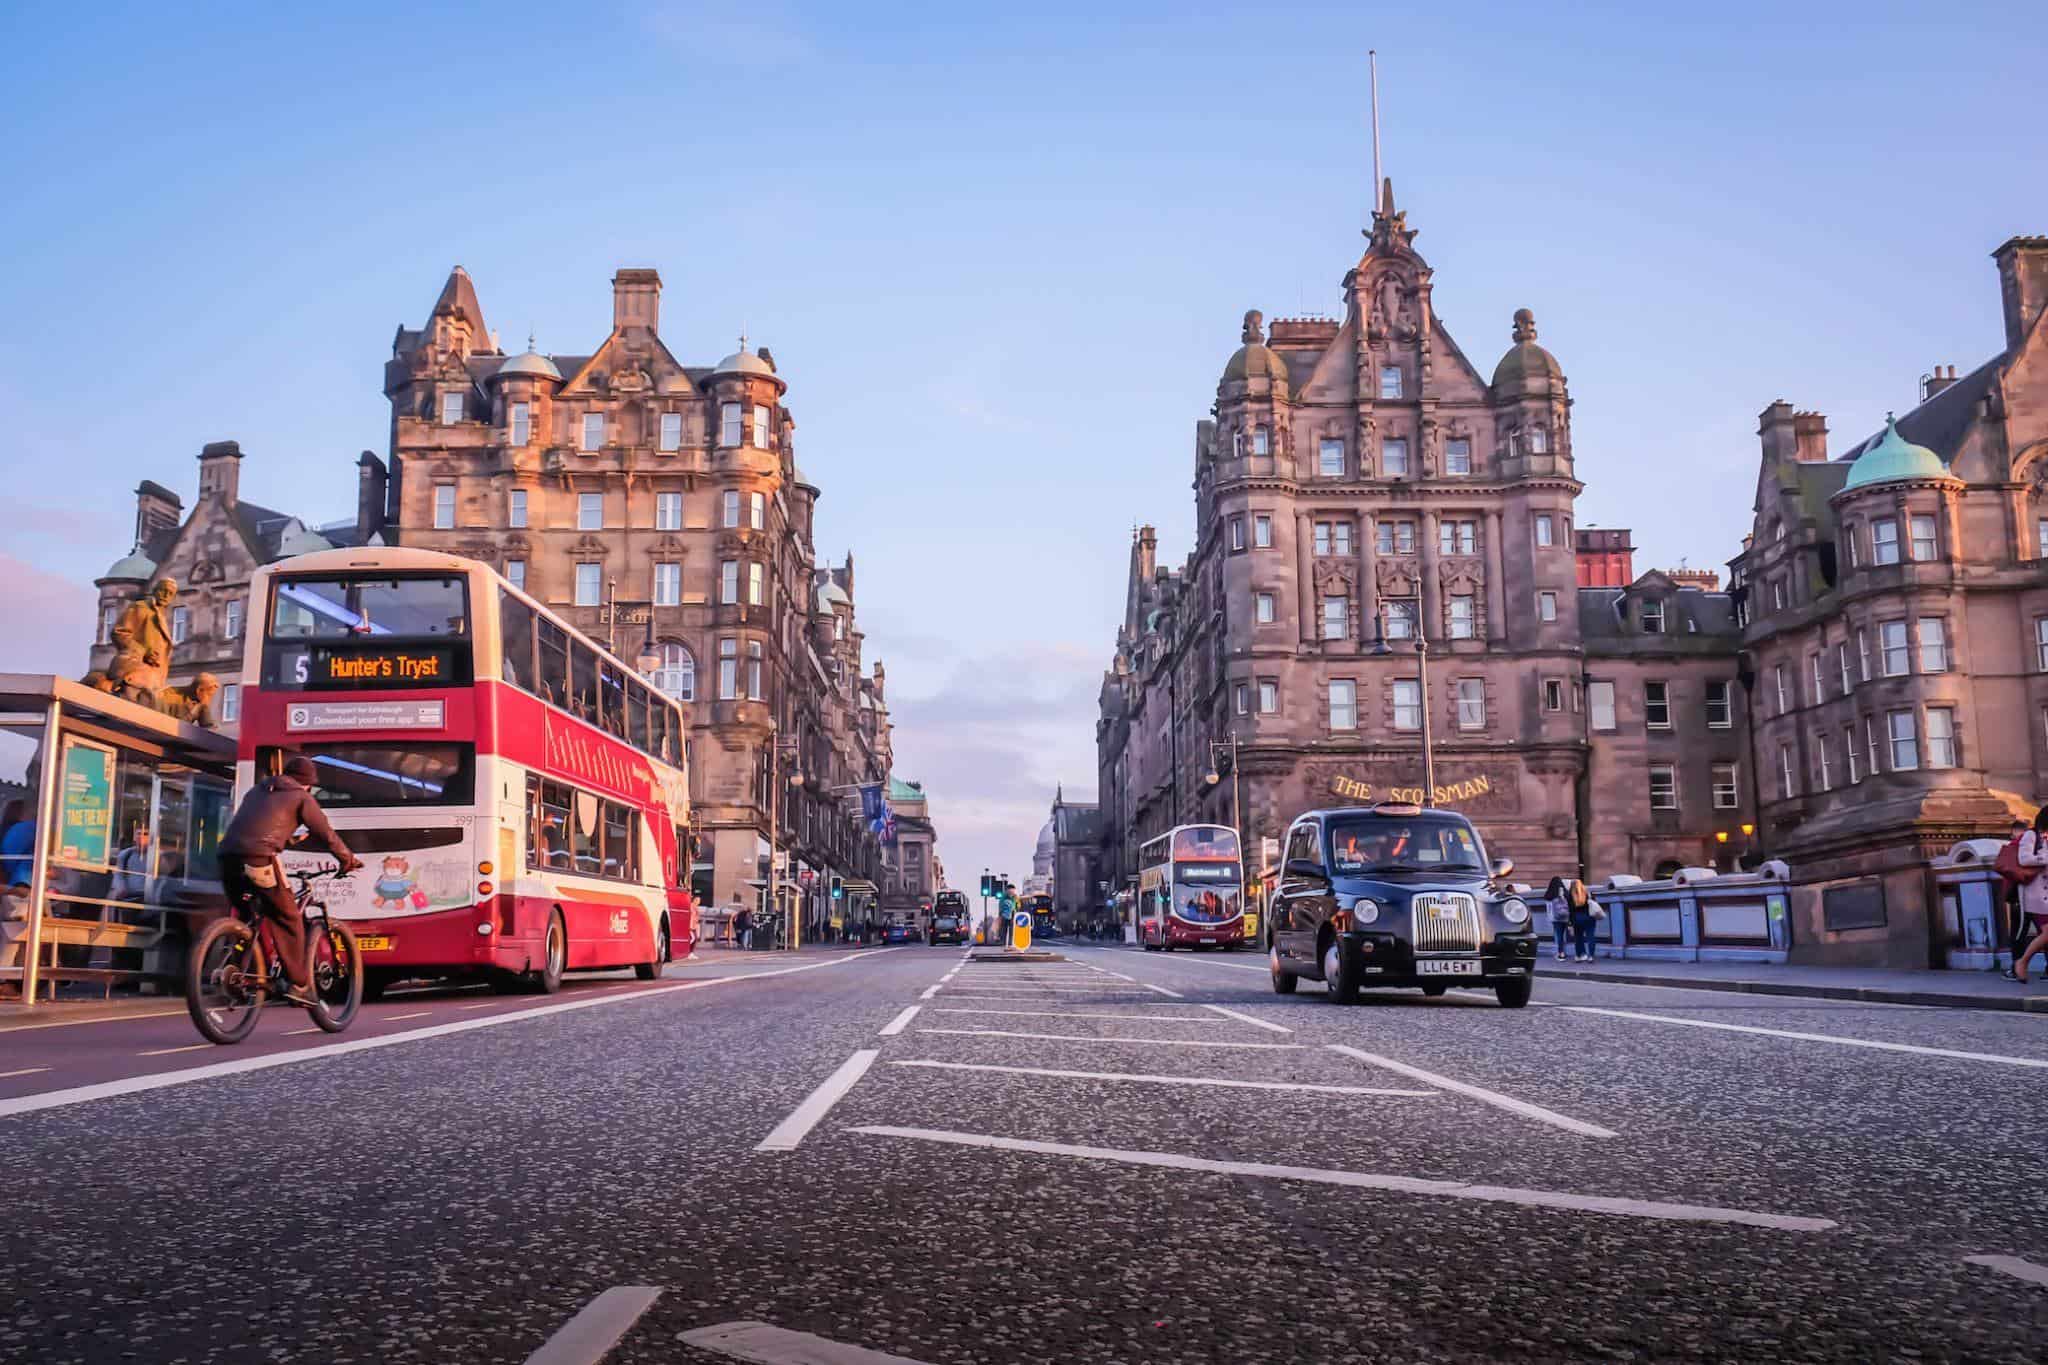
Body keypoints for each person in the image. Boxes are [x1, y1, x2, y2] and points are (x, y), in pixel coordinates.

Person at [218, 754, 361, 1003]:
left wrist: (290, 840)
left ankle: (237, 970)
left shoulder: (257, 791)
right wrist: (347, 859)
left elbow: (255, 827)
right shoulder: (301, 796)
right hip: (260, 858)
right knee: (288, 917)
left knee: (246, 914)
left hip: (226, 857)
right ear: (307, 783)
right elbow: (326, 833)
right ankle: (298, 983)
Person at [2010, 809, 2048, 985]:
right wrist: (2045, 858)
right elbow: (2024, 859)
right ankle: (2022, 961)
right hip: (2038, 893)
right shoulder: (2031, 836)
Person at [1566, 876, 1598, 963]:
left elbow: (1570, 910)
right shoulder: (1587, 893)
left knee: (1578, 938)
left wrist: (1570, 922)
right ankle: (1591, 956)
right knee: (1590, 936)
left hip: (1577, 918)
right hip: (1589, 917)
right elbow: (1594, 903)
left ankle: (1579, 955)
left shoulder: (1570, 896)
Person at [1544, 876, 1572, 961]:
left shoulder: (1550, 894)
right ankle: (1565, 952)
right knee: (1565, 935)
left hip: (1555, 918)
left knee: (1559, 936)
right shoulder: (1566, 893)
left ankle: (1561, 953)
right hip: (1566, 916)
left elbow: (1548, 906)